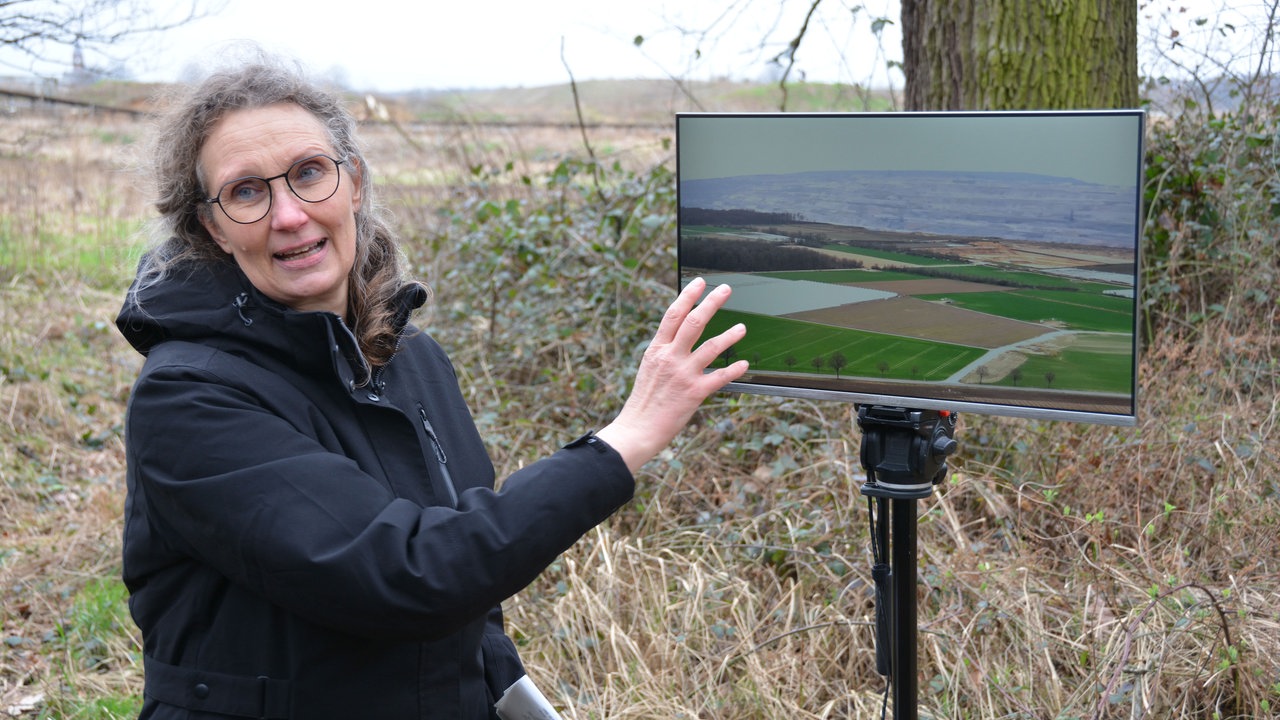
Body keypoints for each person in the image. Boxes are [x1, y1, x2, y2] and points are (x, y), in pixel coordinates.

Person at [115, 57, 748, 720]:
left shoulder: (410, 358)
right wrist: (625, 439)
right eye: (246, 192)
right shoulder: (187, 399)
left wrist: (505, 696)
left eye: (309, 174)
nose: (290, 215)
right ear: (212, 226)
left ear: (352, 182)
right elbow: (412, 575)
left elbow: (473, 585)